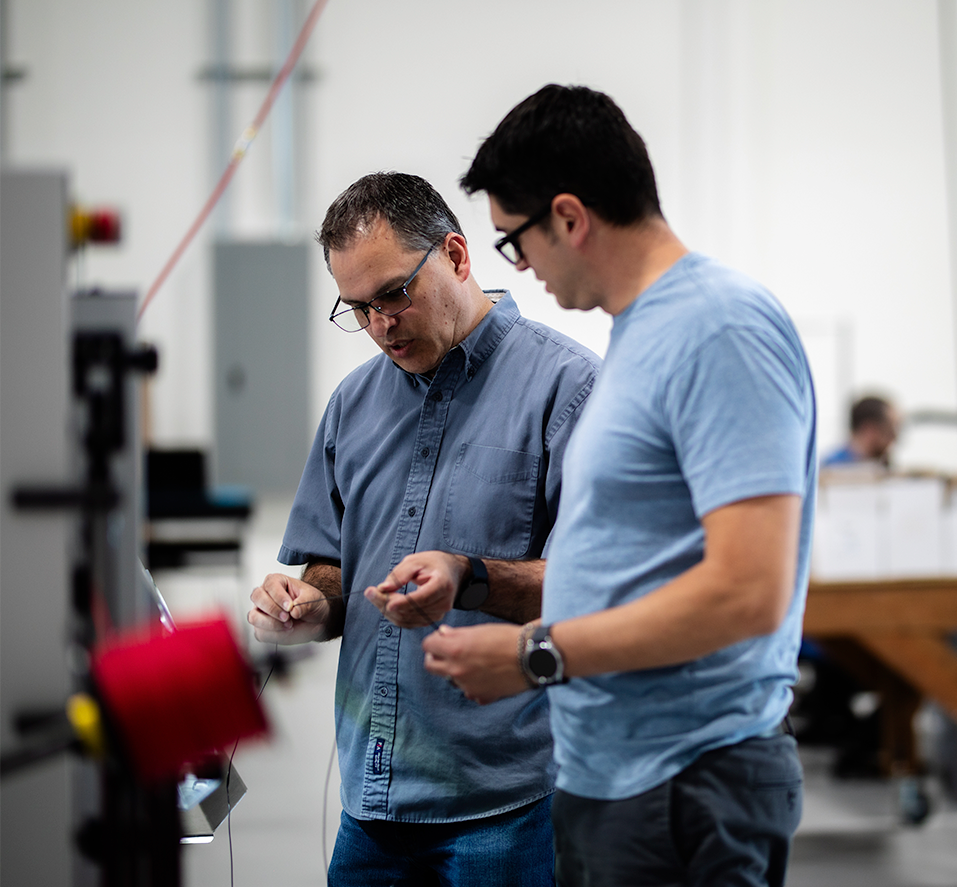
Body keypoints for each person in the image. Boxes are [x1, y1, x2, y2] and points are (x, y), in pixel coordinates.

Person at [422, 85, 817, 887]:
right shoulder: (640, 333)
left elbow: (748, 591)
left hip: (688, 781)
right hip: (620, 774)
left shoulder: (718, 327)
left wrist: (537, 654)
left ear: (569, 217)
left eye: (514, 241)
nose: (519, 266)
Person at [247, 172, 599, 886]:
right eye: (357, 309)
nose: (380, 324)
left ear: (457, 256)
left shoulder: (570, 389)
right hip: (373, 802)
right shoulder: (353, 405)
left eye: (393, 294)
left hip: (509, 803)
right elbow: (327, 565)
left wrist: (469, 579)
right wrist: (309, 603)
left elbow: (593, 588)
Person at [822, 395, 899, 467]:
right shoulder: (831, 468)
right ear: (869, 429)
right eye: (889, 431)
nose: (894, 438)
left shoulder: (882, 466)